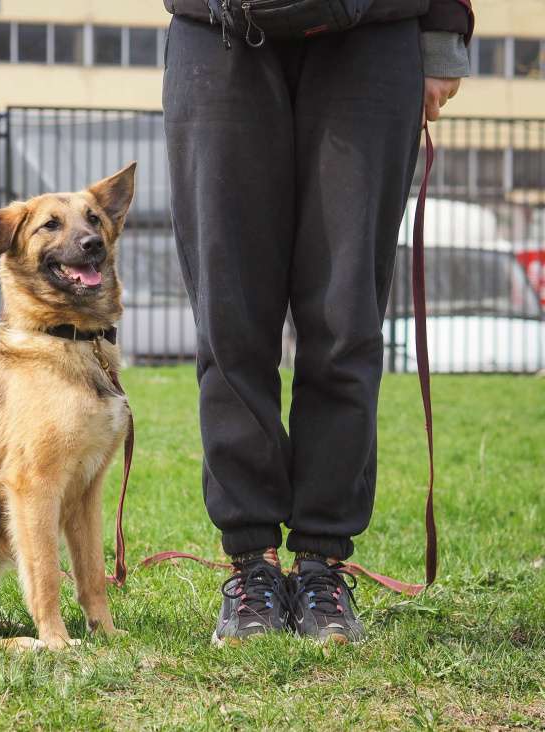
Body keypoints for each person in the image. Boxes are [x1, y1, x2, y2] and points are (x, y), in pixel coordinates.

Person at [161, 0, 474, 643]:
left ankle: (321, 564)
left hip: (371, 32)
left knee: (345, 315)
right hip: (217, 31)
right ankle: (252, 562)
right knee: (231, 317)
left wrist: (442, 36)